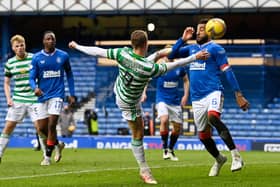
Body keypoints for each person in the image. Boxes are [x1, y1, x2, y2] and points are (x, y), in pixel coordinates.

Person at [68, 30, 209, 184]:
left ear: (132, 43)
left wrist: (77, 46)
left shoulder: (123, 53)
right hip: (129, 102)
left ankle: (151, 163)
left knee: (154, 56)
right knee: (138, 134)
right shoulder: (149, 68)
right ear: (146, 44)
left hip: (120, 89)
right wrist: (195, 56)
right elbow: (175, 64)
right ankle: (144, 170)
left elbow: (98, 51)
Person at [169, 19, 250, 176]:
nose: (198, 32)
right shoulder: (191, 49)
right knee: (203, 136)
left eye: (201, 29)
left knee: (213, 117)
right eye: (198, 29)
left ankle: (236, 156)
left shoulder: (216, 49)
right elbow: (172, 54)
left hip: (213, 91)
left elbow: (227, 71)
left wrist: (238, 94)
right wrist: (183, 39)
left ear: (211, 31)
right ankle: (219, 159)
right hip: (197, 98)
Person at [30, 31, 76, 166]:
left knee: (51, 125)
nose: (51, 41)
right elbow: (31, 77)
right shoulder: (37, 58)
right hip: (42, 96)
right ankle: (58, 144)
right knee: (41, 128)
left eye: (53, 39)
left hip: (57, 95)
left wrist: (72, 93)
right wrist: (35, 88)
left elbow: (69, 74)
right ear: (44, 41)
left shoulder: (63, 56)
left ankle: (47, 157)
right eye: (48, 39)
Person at [0, 34, 47, 162]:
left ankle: (46, 156)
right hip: (18, 99)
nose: (20, 48)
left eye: (22, 45)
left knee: (40, 128)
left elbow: (43, 75)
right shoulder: (10, 63)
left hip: (35, 99)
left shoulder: (34, 58)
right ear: (13, 48)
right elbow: (6, 83)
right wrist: (9, 99)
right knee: (8, 127)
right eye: (17, 46)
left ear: (25, 45)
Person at [143, 52, 190, 161]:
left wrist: (185, 95)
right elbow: (146, 79)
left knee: (177, 128)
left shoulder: (179, 67)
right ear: (164, 56)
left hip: (175, 101)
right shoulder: (160, 68)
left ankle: (170, 149)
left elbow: (186, 80)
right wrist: (143, 93)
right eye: (167, 54)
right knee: (164, 120)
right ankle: (164, 149)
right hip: (162, 99)